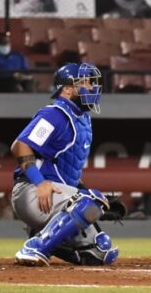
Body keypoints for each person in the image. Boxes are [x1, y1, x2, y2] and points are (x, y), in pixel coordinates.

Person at [11, 62, 123, 267]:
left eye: (91, 82)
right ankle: (35, 246)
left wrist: (85, 194)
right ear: (68, 88)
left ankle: (46, 237)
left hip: (56, 198)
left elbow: (65, 171)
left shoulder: (82, 118)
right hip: (32, 191)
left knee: (102, 251)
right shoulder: (55, 114)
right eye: (85, 82)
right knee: (91, 201)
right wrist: (40, 182)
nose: (91, 87)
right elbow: (20, 146)